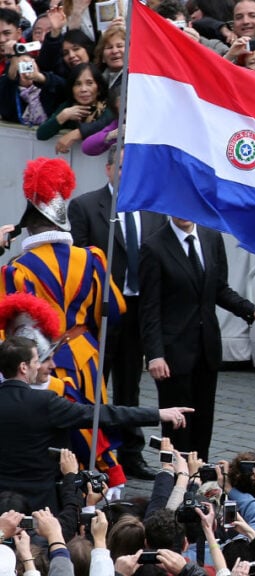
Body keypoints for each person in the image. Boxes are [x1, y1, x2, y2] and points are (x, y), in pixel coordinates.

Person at [1, 156, 128, 488]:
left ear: (30, 227)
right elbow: (115, 309)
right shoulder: (93, 258)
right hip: (86, 357)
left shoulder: (18, 269)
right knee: (91, 422)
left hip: (40, 362)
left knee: (45, 429)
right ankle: (104, 488)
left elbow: (12, 326)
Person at [0, 335, 192, 511]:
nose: (41, 366)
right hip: (42, 500)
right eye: (37, 361)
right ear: (24, 367)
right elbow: (102, 414)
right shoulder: (45, 402)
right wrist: (157, 413)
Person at [68, 145, 165, 481]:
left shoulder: (152, 209)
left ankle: (131, 454)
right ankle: (92, 451)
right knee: (94, 384)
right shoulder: (85, 206)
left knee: (130, 386)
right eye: (122, 167)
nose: (128, 173)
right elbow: (80, 262)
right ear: (108, 170)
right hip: (101, 311)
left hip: (138, 310)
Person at [138, 216, 255, 461]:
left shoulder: (210, 237)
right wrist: (154, 354)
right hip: (173, 353)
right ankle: (176, 480)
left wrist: (253, 311)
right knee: (178, 424)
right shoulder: (154, 246)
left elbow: (219, 289)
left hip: (206, 348)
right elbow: (149, 308)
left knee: (204, 419)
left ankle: (201, 475)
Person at [35, 62, 113, 154]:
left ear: (99, 88)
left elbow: (105, 124)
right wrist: (62, 116)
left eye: (89, 83)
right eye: (78, 84)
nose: (83, 89)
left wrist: (77, 133)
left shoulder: (109, 107)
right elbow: (41, 134)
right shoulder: (68, 106)